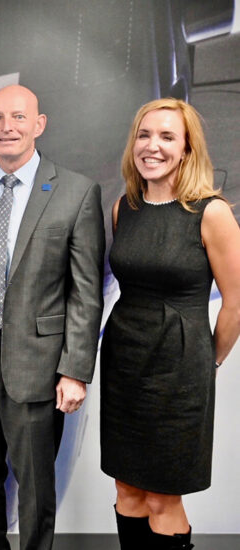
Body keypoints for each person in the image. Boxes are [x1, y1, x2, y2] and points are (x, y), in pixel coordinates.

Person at [0, 84, 105, 550]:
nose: (7, 127)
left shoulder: (75, 191)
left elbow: (86, 292)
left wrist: (75, 370)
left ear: (39, 125)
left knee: (34, 484)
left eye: (19, 117)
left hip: (38, 364)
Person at [100, 98, 240, 550]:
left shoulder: (211, 212)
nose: (152, 146)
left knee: (163, 497)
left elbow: (236, 303)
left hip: (179, 372)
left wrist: (207, 360)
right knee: (126, 488)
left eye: (166, 136)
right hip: (124, 364)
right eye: (144, 135)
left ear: (186, 149)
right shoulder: (124, 208)